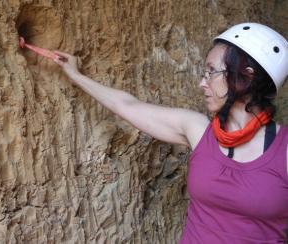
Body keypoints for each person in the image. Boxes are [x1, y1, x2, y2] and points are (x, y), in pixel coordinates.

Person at [53, 23, 288, 243]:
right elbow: (127, 106)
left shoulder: (284, 151)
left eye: (211, 72)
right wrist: (76, 76)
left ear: (246, 77)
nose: (202, 83)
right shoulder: (198, 131)